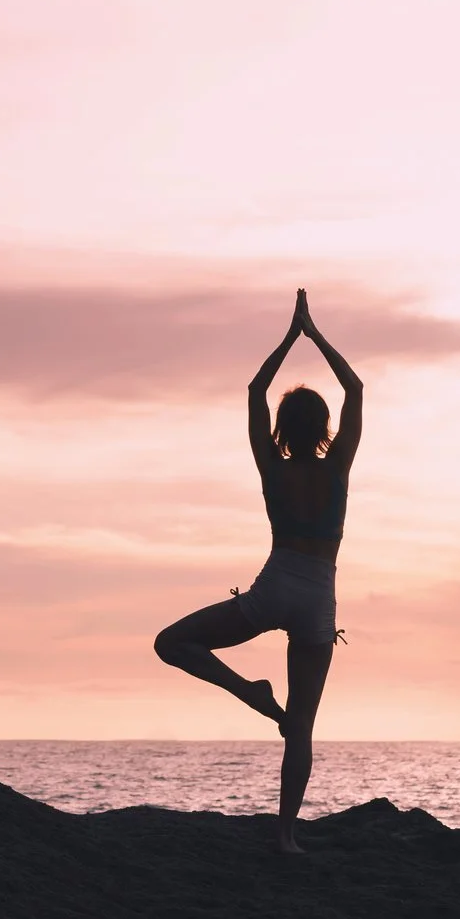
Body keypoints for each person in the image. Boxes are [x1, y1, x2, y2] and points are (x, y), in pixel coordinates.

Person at [153, 288, 361, 853]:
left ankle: (249, 694)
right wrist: (314, 335)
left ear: (282, 429)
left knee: (171, 643)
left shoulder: (271, 466)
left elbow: (254, 391)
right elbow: (355, 389)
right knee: (301, 727)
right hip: (318, 600)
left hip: (271, 591)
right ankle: (287, 837)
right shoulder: (338, 466)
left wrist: (287, 338)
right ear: (322, 428)